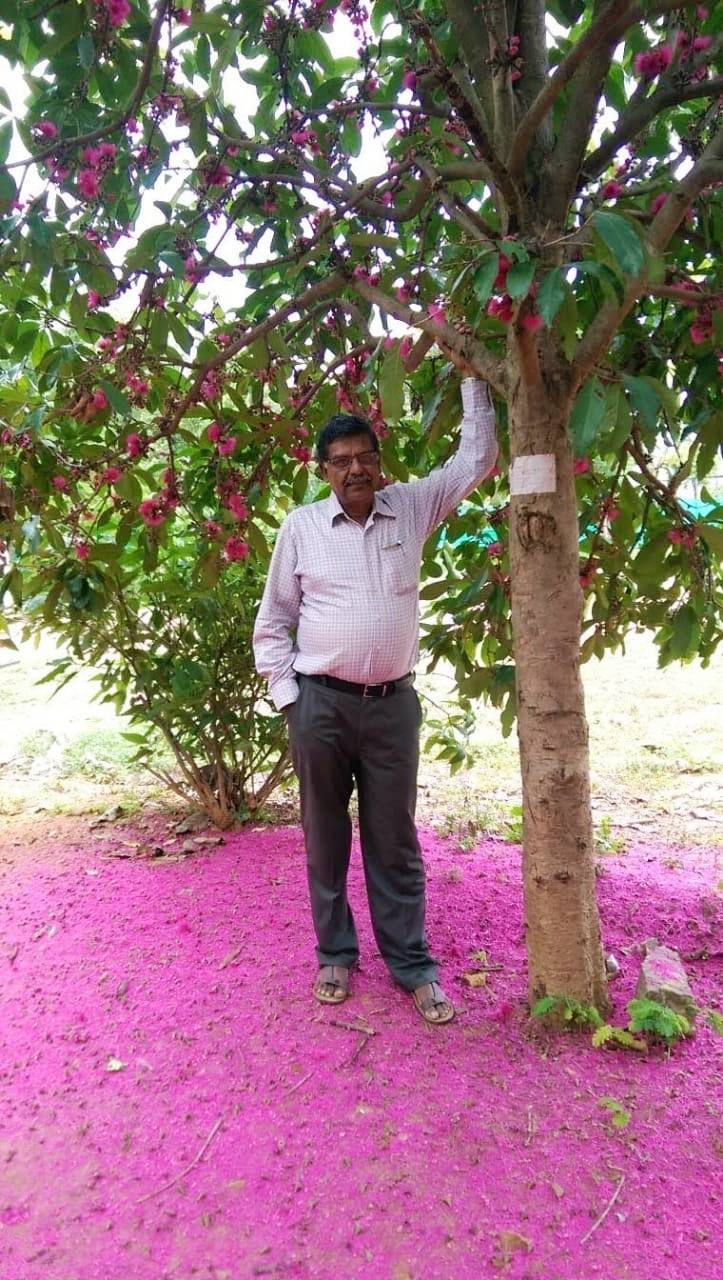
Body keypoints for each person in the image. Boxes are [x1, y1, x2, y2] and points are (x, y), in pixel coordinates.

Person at [253, 377, 497, 1024]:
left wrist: (467, 373)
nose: (355, 469)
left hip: (391, 707)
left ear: (378, 462)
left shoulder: (410, 507)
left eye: (364, 456)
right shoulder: (301, 528)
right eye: (340, 461)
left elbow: (475, 461)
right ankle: (334, 952)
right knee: (324, 837)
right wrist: (289, 700)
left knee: (395, 841)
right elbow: (273, 620)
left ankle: (411, 965)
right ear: (323, 471)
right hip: (320, 707)